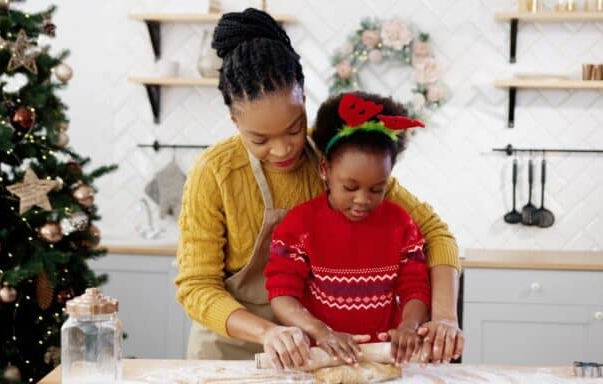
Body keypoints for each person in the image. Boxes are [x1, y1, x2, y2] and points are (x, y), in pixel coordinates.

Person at [174, 7, 463, 370]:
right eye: (259, 139)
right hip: (229, 351)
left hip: (315, 352)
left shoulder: (334, 160)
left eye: (294, 129)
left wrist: (445, 318)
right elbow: (197, 285)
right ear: (235, 120)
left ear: (304, 99)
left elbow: (436, 233)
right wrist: (269, 333)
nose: (283, 150)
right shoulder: (214, 173)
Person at [265, 92, 431, 368]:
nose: (363, 200)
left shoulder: (401, 223)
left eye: (377, 188)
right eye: (350, 187)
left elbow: (415, 287)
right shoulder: (299, 226)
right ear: (325, 169)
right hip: (319, 359)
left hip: (383, 359)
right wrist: (320, 331)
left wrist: (410, 325)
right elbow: (282, 294)